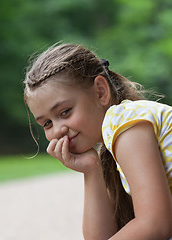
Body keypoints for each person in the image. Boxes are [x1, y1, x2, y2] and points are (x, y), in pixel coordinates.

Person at [24, 43, 172, 239]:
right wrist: (91, 170)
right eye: (47, 123)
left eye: (65, 112)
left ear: (101, 92)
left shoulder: (125, 121)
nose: (58, 129)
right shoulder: (116, 137)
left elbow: (156, 224)